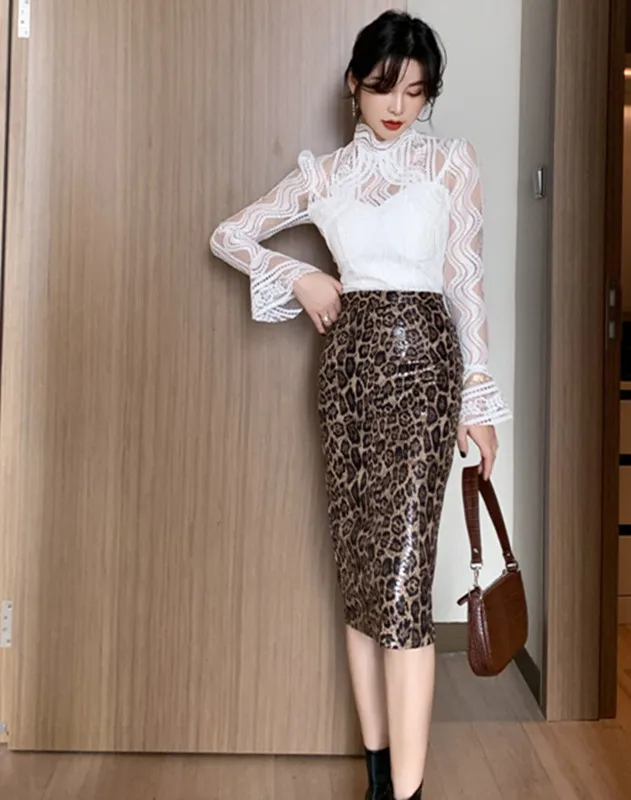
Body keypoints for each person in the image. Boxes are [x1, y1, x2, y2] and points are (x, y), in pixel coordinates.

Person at [210, 10, 511, 800]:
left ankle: (405, 794)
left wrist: (479, 400)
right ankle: (379, 775)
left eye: (416, 91)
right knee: (361, 579)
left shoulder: (450, 163)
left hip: (426, 367)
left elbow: (466, 283)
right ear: (354, 83)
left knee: (404, 585)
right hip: (346, 369)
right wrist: (300, 276)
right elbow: (230, 235)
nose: (398, 106)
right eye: (383, 87)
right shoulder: (324, 175)